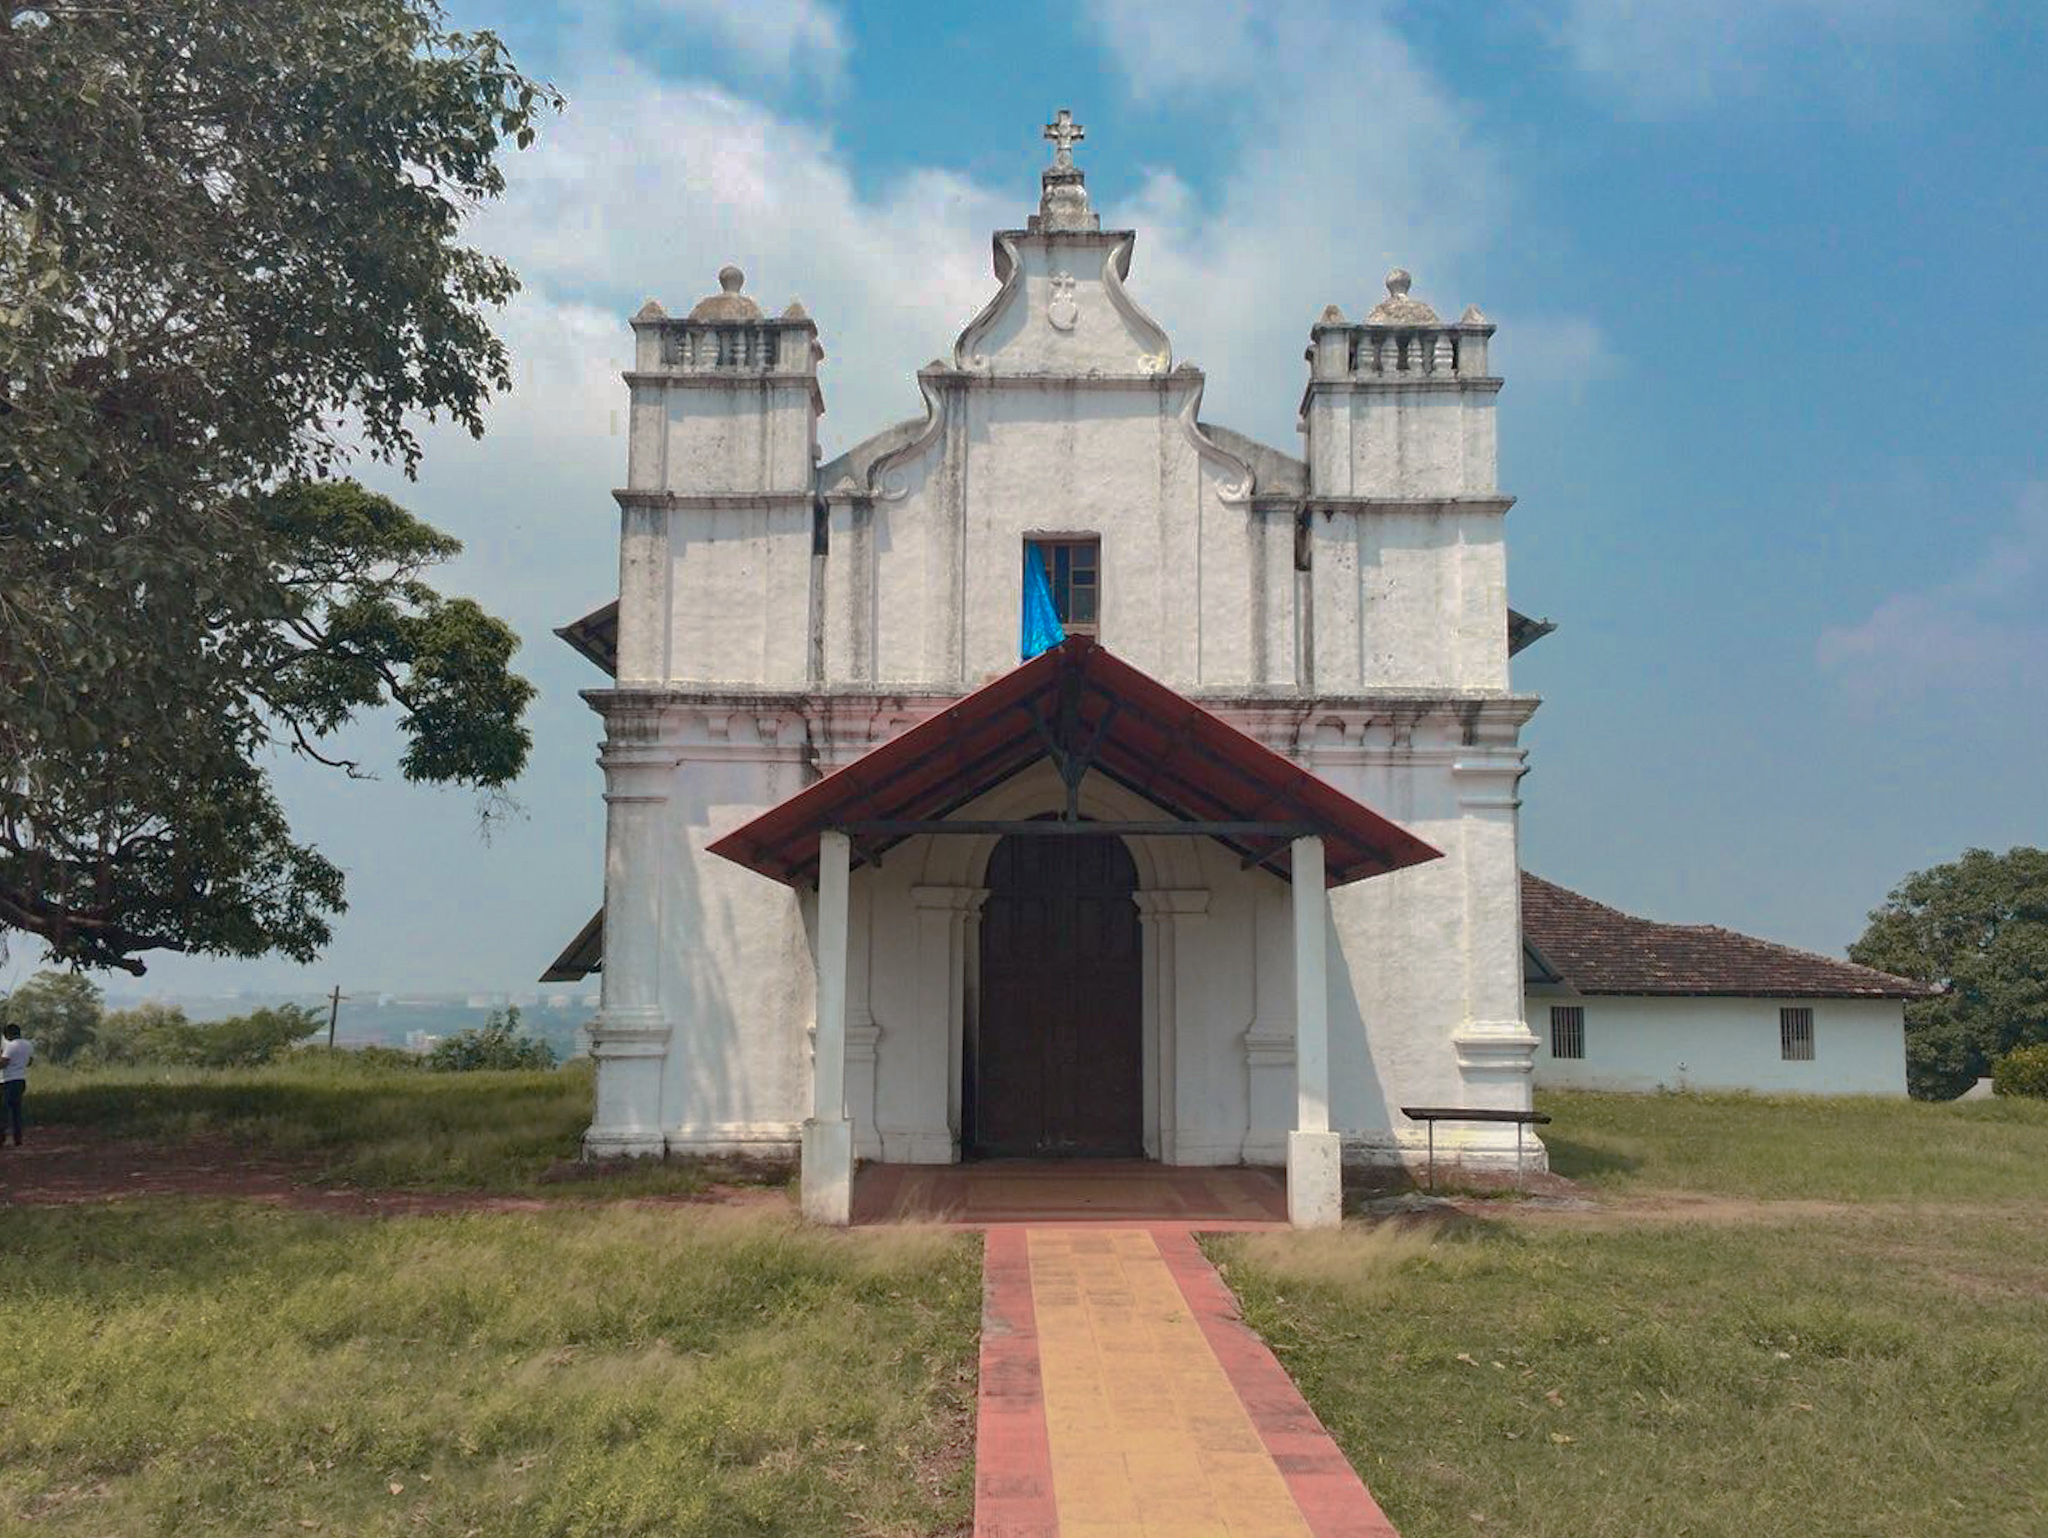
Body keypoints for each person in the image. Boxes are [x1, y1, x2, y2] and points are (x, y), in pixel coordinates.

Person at [1, 1023, 31, 1147]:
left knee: (3, 1111)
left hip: (8, 1081)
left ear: (8, 1034)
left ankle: (1, 1139)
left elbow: (3, 1064)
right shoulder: (28, 1044)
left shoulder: (10, 1046)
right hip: (20, 1080)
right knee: (17, 1111)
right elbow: (29, 1061)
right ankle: (18, 1139)